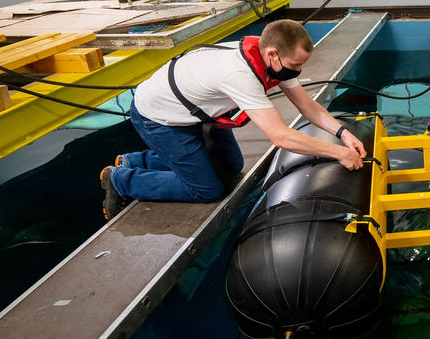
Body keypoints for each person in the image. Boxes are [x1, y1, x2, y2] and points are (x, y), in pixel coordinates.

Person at [99, 20, 367, 219]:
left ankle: (136, 159)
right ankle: (121, 179)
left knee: (232, 166)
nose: (299, 70)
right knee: (206, 190)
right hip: (158, 117)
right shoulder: (239, 73)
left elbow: (307, 106)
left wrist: (343, 132)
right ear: (272, 53)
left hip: (198, 113)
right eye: (295, 65)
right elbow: (280, 136)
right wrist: (338, 153)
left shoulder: (275, 61)